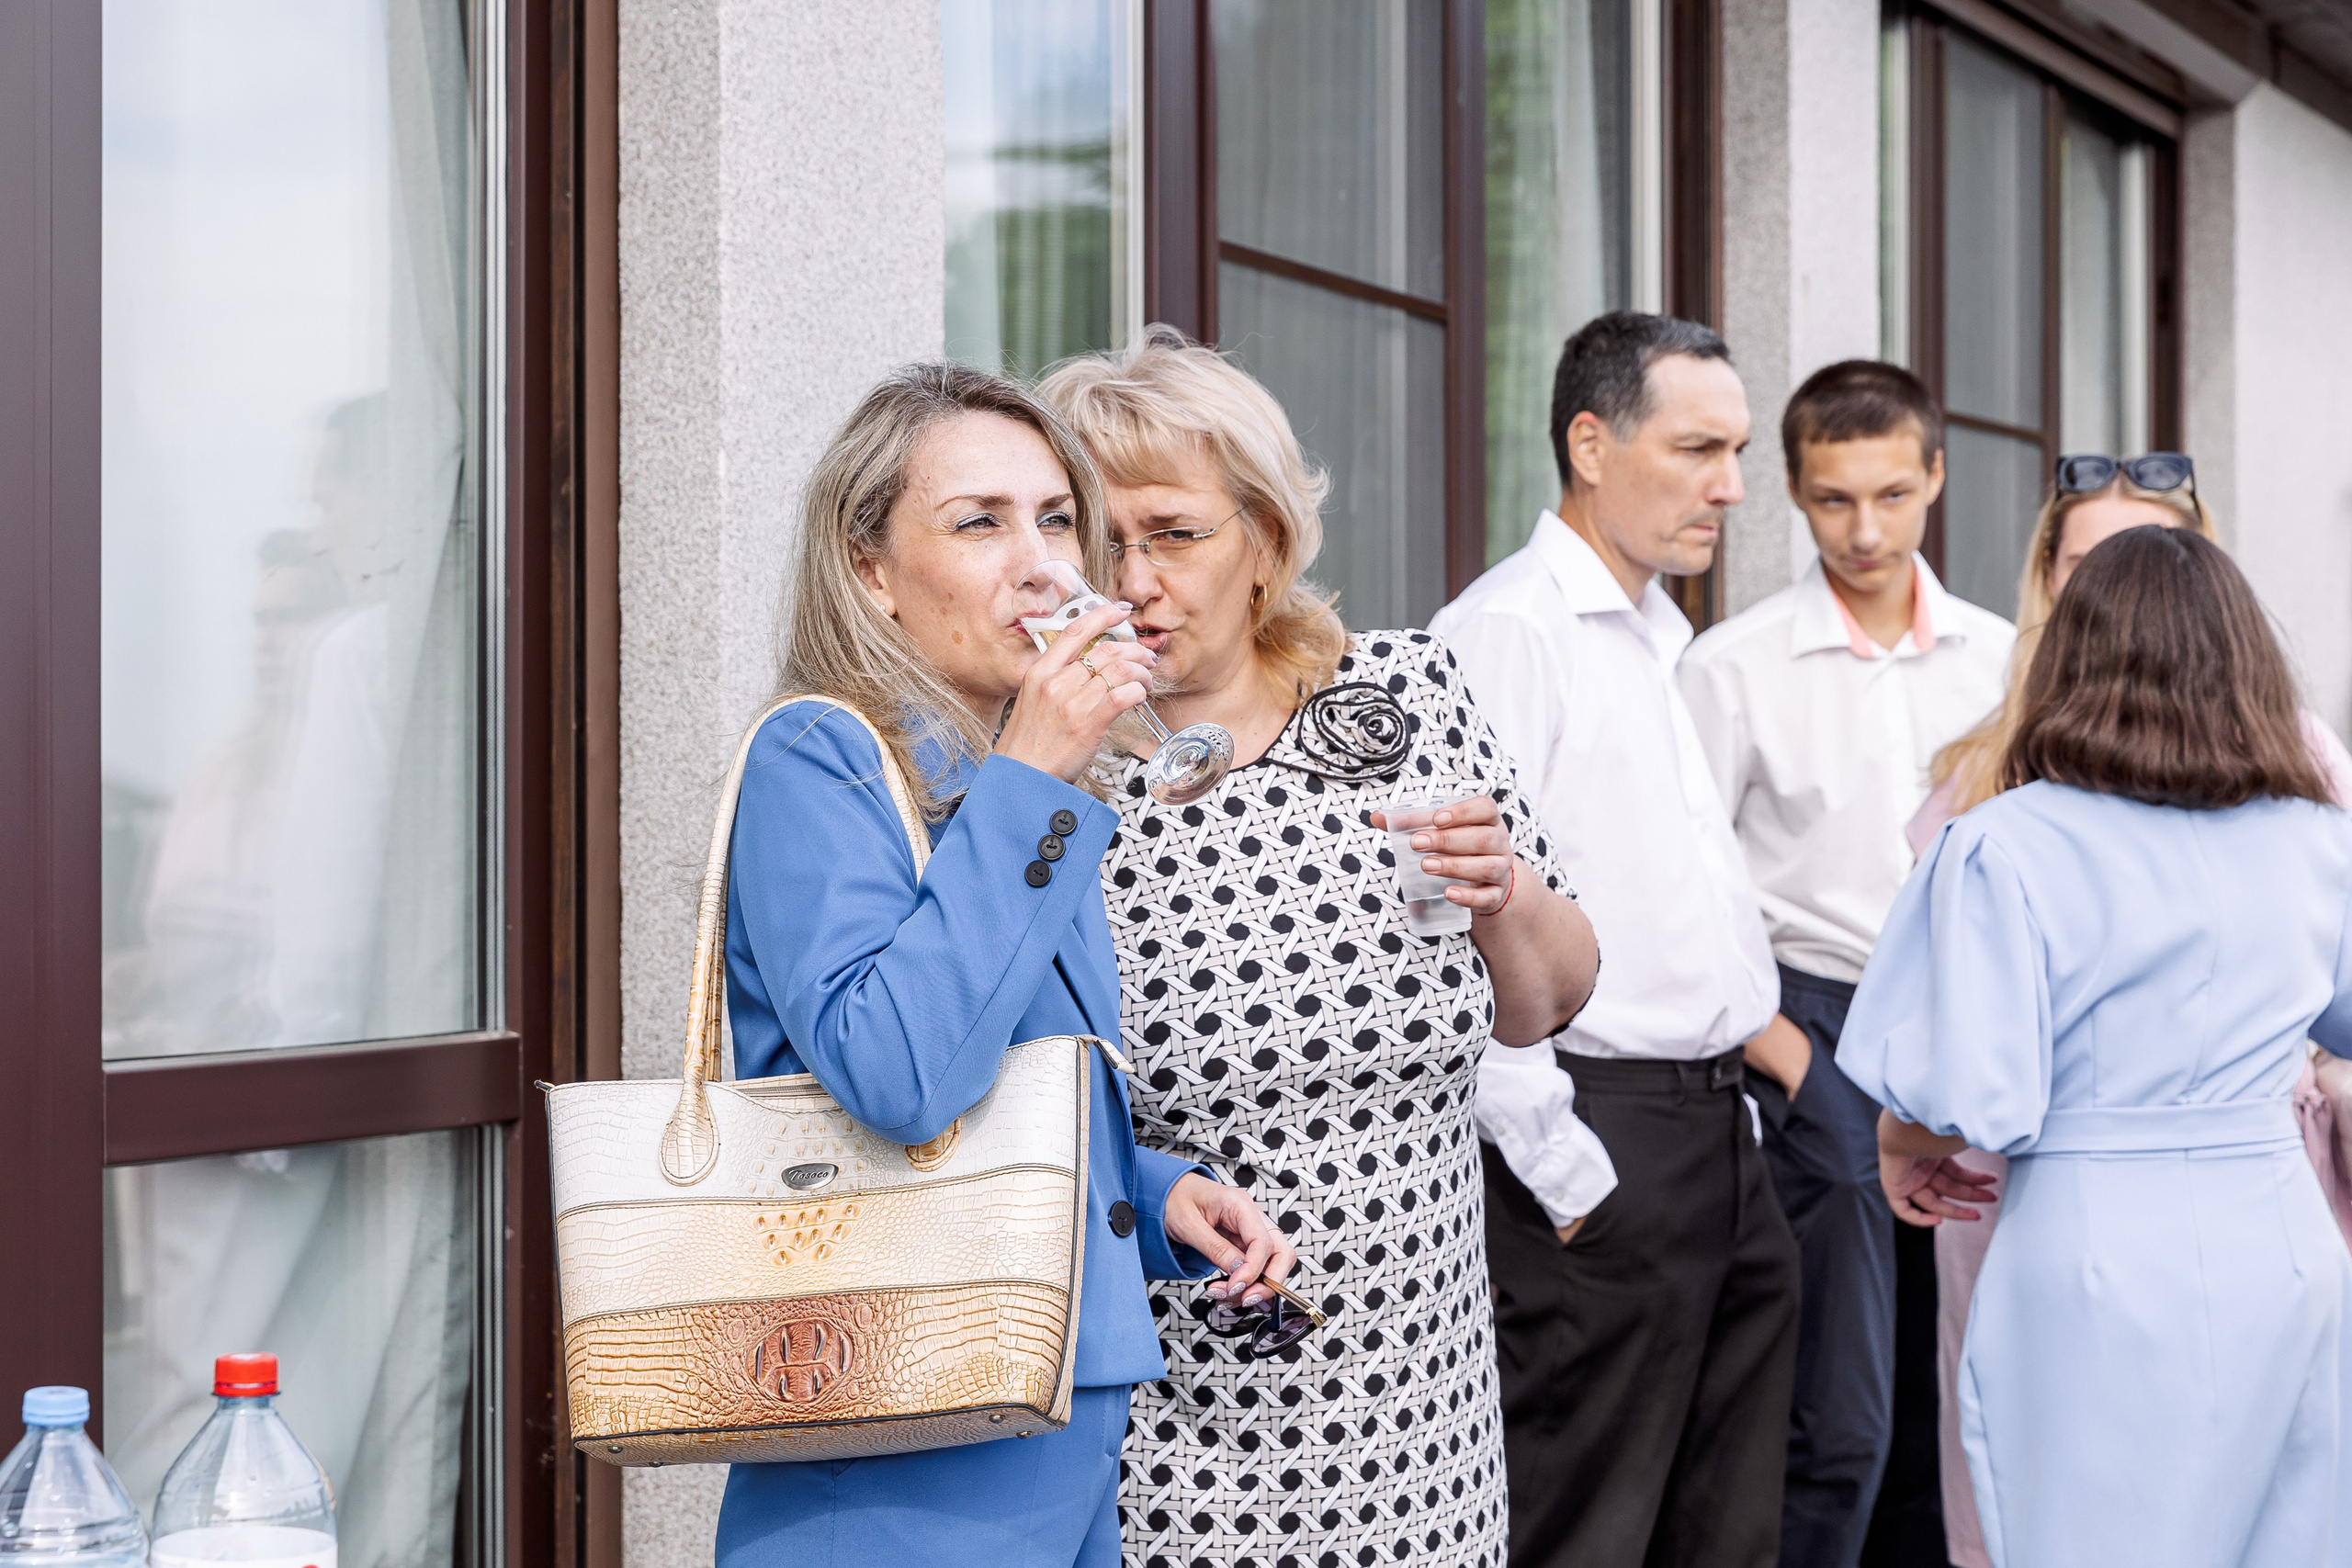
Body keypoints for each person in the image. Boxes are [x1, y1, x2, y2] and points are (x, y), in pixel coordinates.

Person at [1037, 330, 1609, 1568]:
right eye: (1100, 542)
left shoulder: (1402, 695)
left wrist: (1503, 890)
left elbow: (1548, 1002)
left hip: (1425, 1414)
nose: (1134, 580)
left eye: (1174, 533)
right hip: (1175, 1434)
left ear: (1263, 539)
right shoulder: (1057, 776)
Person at [713, 363, 1292, 1568]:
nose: (1042, 565)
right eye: (980, 522)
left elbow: (1011, 1067)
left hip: (1056, 1424)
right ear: (870, 572)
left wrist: (1149, 1191)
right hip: (903, 1447)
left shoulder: (1007, 784)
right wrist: (1031, 775)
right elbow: (900, 1078)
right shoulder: (820, 754)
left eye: (1057, 519)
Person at [1838, 523, 2352, 1568]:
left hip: (2092, 1251)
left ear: (2069, 662)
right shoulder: (2316, 838)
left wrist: (1899, 1140)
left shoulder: (2000, 844)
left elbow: (1963, 1094)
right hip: (2282, 1249)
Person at [1431, 310, 1800, 1568]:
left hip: (1717, 1138)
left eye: (1736, 451)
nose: (1731, 487)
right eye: (1698, 449)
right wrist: (1567, 1173)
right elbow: (1453, 918)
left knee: (1726, 1532)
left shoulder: (1657, 635)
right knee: (1583, 1532)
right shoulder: (1508, 632)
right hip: (1598, 1142)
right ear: (1590, 444)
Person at [1678, 360, 2013, 1568]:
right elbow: (1687, 885)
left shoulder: (2003, 660)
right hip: (1812, 1023)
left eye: (1890, 496)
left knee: (1955, 1386)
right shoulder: (1731, 665)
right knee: (1840, 1412)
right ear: (1790, 491)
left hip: (1970, 1024)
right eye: (1832, 499)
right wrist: (1792, 1061)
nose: (1864, 531)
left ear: (1936, 477)